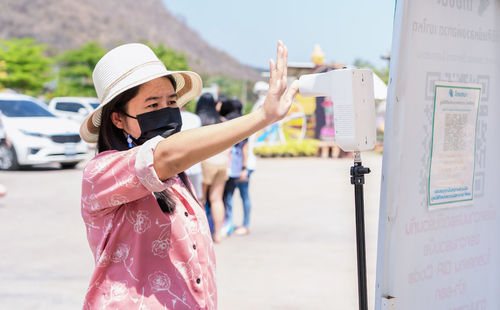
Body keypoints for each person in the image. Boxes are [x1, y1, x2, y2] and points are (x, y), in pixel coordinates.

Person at [79, 41, 298, 309]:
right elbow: (164, 155)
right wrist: (263, 117)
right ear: (118, 119)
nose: (166, 111)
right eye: (152, 104)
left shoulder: (175, 179)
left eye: (172, 101)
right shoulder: (101, 173)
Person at [195, 93, 230, 243]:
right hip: (222, 163)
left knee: (200, 200)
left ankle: (200, 235)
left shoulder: (199, 121)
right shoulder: (222, 121)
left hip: (205, 163)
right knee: (217, 200)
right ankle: (218, 234)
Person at [180, 105, 203, 200]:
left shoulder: (170, 119)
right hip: (195, 165)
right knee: (197, 199)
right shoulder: (195, 118)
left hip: (178, 167)